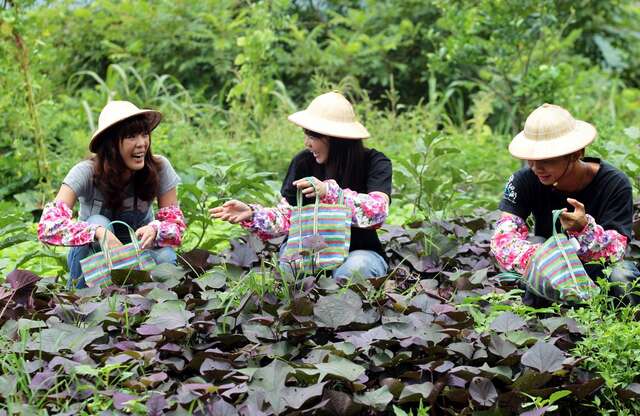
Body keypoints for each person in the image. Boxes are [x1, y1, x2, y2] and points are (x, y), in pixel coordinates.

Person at [210, 91, 392, 279]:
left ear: (335, 138)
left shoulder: (374, 162)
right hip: (307, 250)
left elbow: (377, 212)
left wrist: (328, 192)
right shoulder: (304, 163)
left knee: (354, 269)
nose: (307, 143)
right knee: (290, 270)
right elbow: (288, 216)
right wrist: (253, 214)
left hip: (360, 251)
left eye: (312, 137)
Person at [490, 103, 639, 305]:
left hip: (596, 268)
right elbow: (503, 239)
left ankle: (621, 327)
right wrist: (549, 255)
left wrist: (584, 230)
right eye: (531, 160)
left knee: (623, 275)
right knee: (536, 244)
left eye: (547, 160)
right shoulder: (523, 180)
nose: (536, 168)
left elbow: (616, 251)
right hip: (550, 271)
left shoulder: (614, 183)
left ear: (576, 153)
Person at [38, 100, 187, 288]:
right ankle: (79, 300)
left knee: (166, 255)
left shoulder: (159, 168)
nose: (142, 144)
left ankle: (157, 305)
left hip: (138, 252)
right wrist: (98, 233)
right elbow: (48, 226)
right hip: (94, 255)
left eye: (144, 134)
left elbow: (175, 223)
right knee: (99, 221)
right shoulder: (85, 173)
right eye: (131, 136)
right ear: (111, 144)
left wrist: (155, 229)